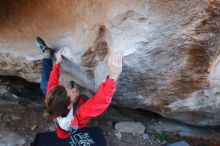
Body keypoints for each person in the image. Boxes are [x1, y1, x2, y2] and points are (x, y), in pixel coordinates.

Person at [36, 37, 123, 139]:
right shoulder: (78, 114)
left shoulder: (50, 99)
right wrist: (113, 75)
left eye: (70, 88)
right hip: (74, 114)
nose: (73, 89)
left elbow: (52, 83)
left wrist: (57, 64)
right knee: (45, 87)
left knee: (45, 86)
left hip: (61, 105)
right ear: (69, 106)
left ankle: (47, 56)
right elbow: (99, 103)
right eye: (72, 92)